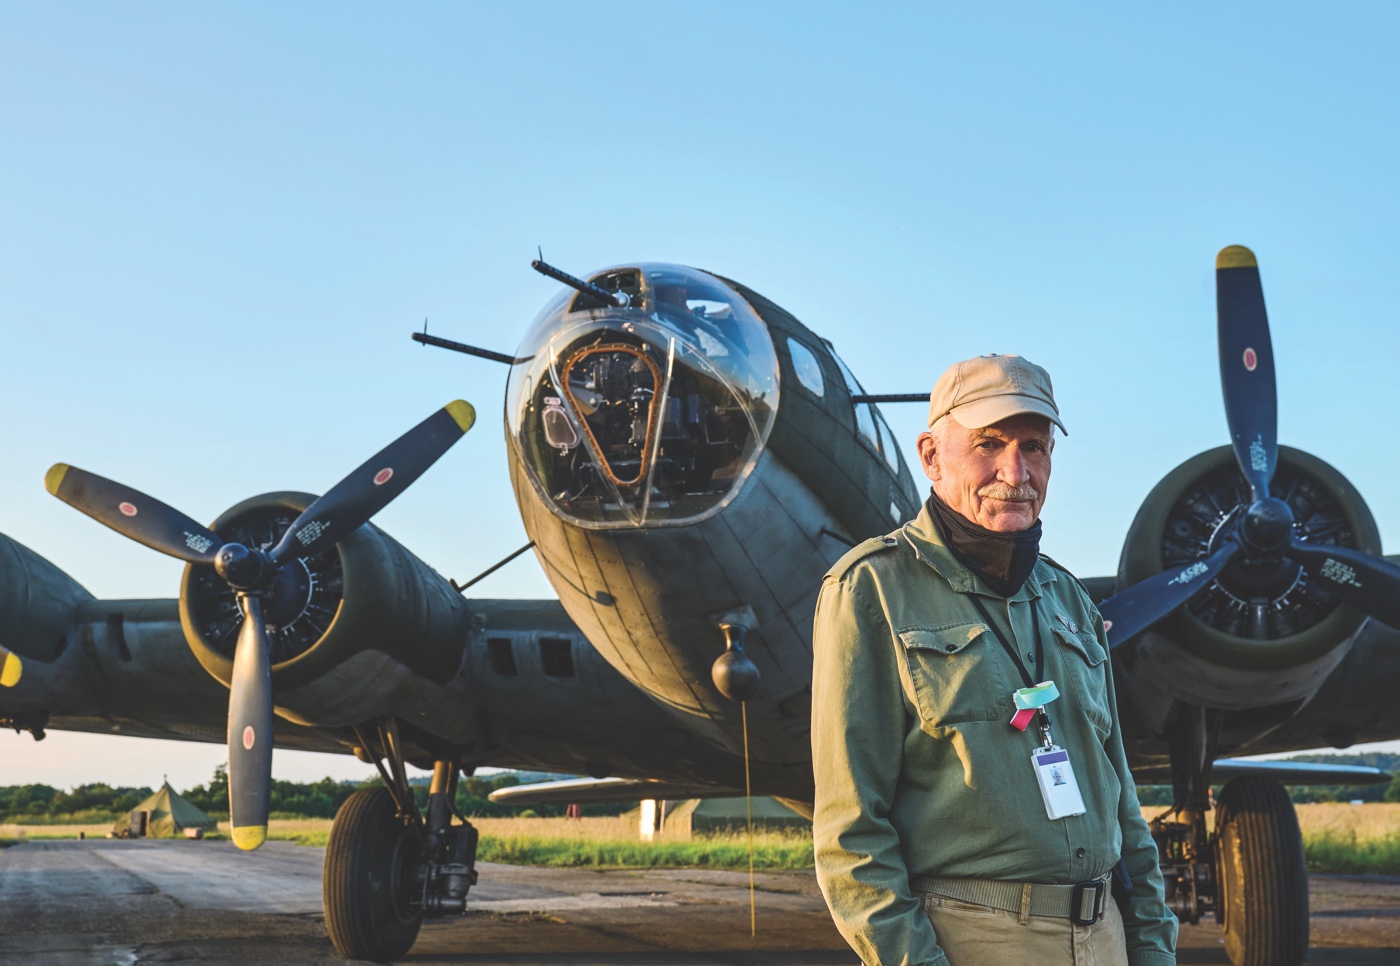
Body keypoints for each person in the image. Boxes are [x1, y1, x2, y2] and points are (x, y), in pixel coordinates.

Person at [811, 354, 1176, 966]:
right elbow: (852, 833)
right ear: (931, 456)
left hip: (1104, 934)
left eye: (1034, 446)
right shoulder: (869, 589)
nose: (1016, 471)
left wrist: (1153, 947)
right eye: (989, 444)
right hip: (972, 937)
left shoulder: (1072, 601)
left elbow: (1122, 804)